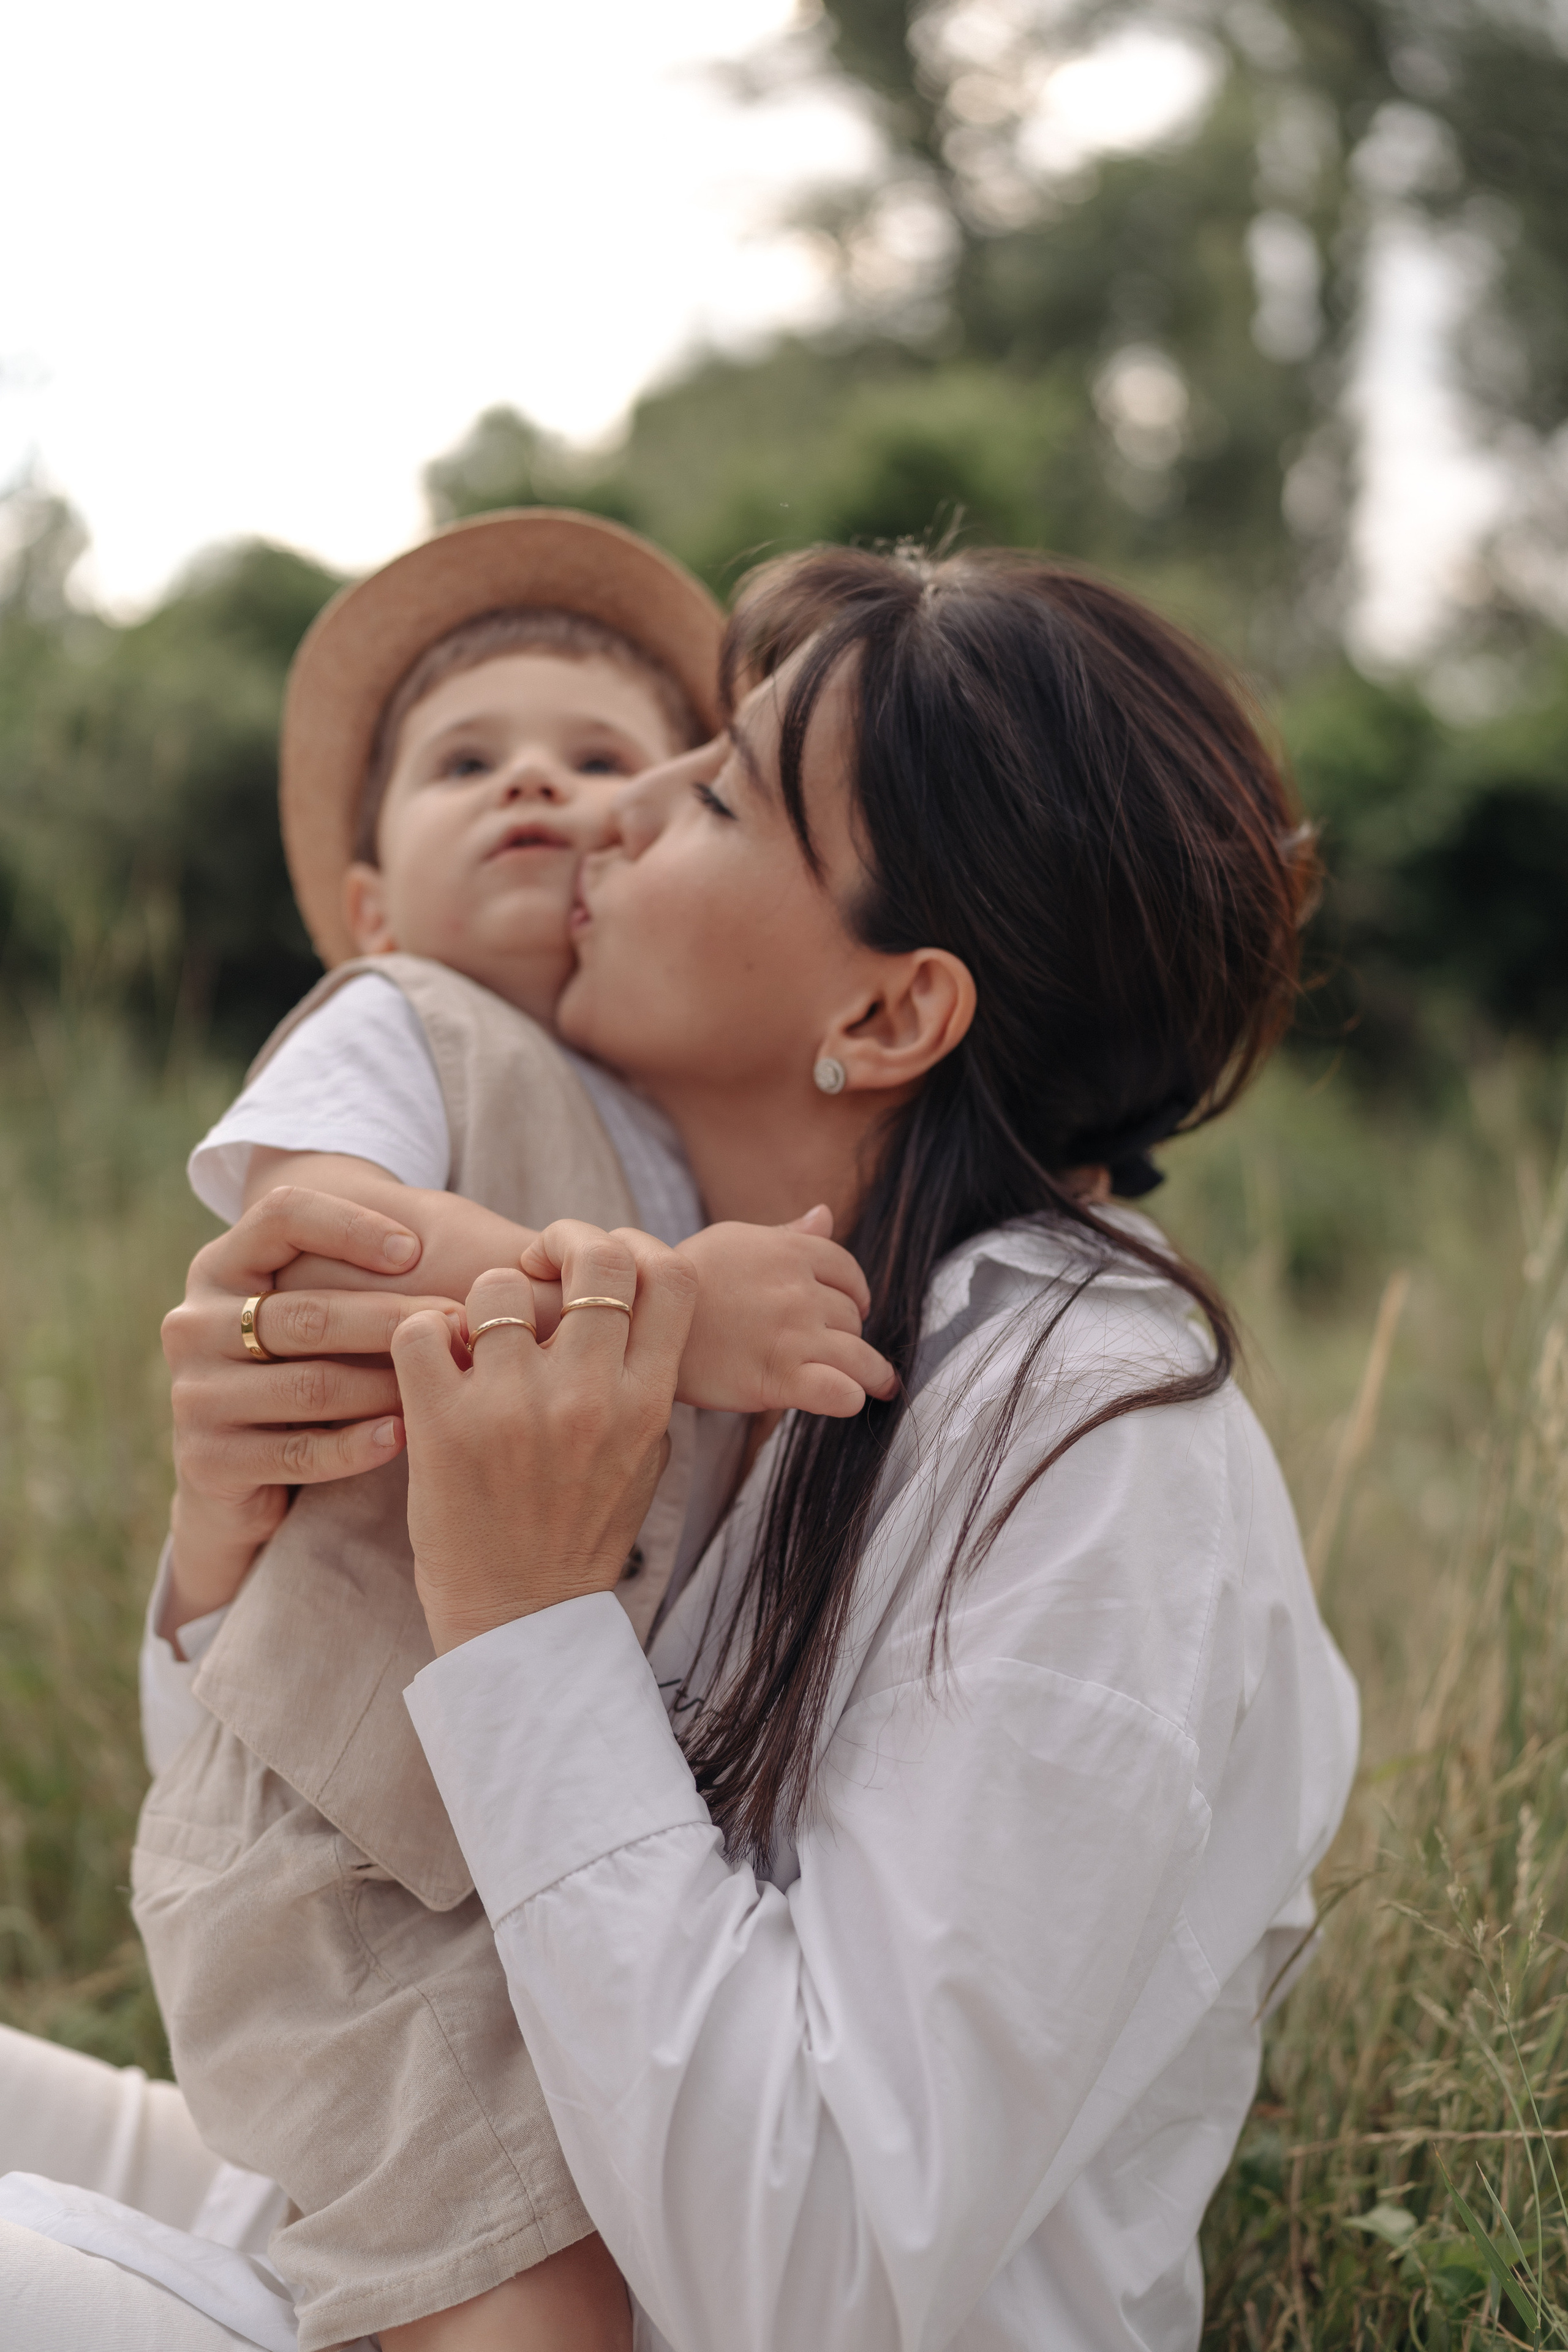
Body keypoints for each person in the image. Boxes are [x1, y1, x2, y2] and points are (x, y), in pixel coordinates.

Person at [2, 541, 1359, 2352]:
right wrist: (234, 1532)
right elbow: (339, 1842)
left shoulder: (1090, 1456)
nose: (613, 811)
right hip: (420, 2195)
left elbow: (814, 2269)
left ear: (887, 1014)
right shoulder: (757, 1319)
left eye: (716, 789)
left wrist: (522, 1612)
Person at [129, 510, 894, 2352]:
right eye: (467, 763)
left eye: (613, 762)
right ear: (375, 898)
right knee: (515, 2278)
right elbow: (321, 1234)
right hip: (341, 1829)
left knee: (598, 2246)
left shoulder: (667, 1119)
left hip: (515, 1827)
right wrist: (675, 1309)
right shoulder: (402, 1023)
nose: (542, 782)